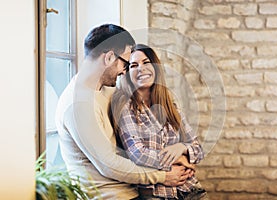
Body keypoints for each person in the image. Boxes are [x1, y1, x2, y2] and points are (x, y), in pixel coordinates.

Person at [55, 24, 191, 200]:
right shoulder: (78, 105)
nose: (124, 72)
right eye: (126, 64)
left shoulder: (105, 91)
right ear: (109, 57)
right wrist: (164, 176)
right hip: (110, 196)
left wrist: (177, 154)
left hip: (131, 190)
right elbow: (109, 165)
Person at [109, 44, 207, 199]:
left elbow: (198, 149)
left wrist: (181, 147)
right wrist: (182, 159)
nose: (141, 68)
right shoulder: (124, 106)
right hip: (158, 195)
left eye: (146, 62)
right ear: (127, 73)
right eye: (134, 65)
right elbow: (138, 154)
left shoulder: (170, 106)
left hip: (192, 191)